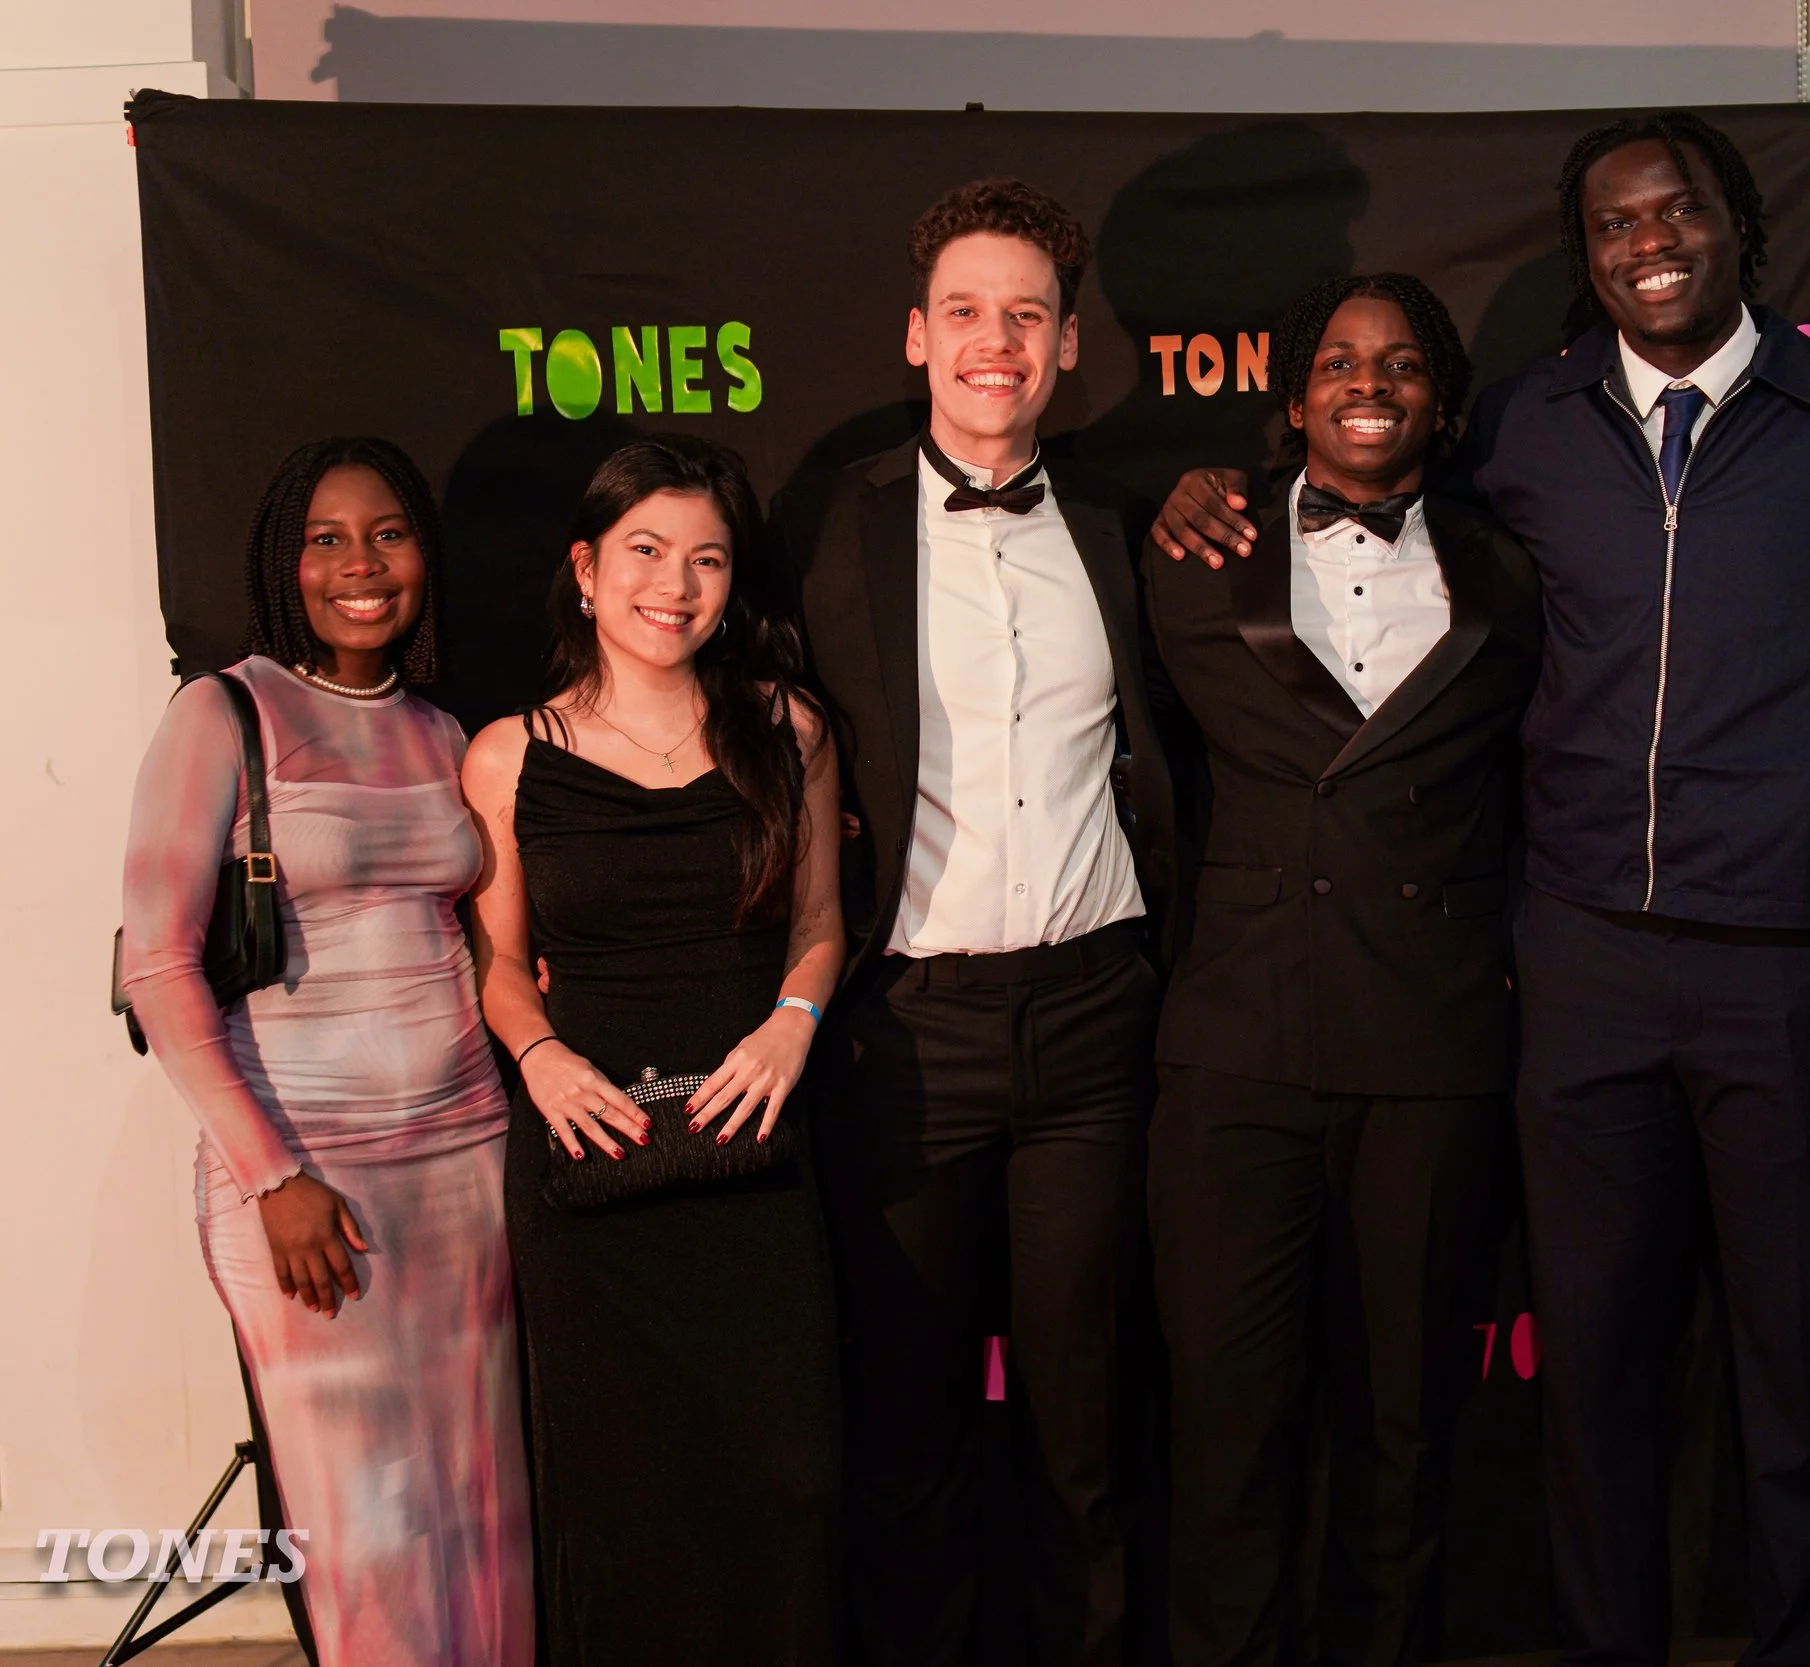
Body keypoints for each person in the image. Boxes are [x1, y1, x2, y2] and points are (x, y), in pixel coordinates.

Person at [1154, 110, 1810, 1666]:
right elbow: (1358, 483)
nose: (1644, 242)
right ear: (1587, 255)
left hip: (1789, 956)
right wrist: (1214, 479)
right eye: (1610, 223)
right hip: (1580, 962)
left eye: (1673, 212)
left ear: (1738, 226)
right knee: (1593, 1375)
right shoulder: (1525, 428)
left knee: (1798, 1371)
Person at [793, 178, 1179, 1667]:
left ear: (1068, 342)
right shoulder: (837, 531)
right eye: (966, 312)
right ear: (916, 335)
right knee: (911, 1424)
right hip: (908, 1033)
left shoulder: (1123, 525)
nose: (994, 341)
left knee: (1088, 1425)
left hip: (1097, 1023)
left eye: (1025, 313)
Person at [1145, 273, 1541, 1667]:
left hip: (1430, 1049)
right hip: (1235, 1045)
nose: (1369, 381)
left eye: (1402, 362)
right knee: (1229, 1428)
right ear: (1294, 395)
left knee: (1407, 1428)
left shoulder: (1510, 570)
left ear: (1440, 397)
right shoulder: (1195, 542)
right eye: (1339, 360)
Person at [119, 437, 531, 1666]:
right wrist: (270, 1177)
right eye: (328, 538)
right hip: (306, 1177)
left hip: (468, 1162)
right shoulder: (222, 710)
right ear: (283, 560)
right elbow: (157, 968)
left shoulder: (440, 727)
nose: (362, 564)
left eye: (390, 535)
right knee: (369, 1523)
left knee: (481, 1501)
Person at [463, 433, 844, 1666]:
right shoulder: (507, 754)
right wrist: (541, 1059)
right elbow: (502, 965)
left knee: (782, 1479)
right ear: (584, 569)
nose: (672, 584)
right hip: (590, 1153)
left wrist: (792, 1025)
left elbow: (821, 922)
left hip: (754, 1147)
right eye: (643, 551)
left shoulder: (788, 726)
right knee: (619, 1494)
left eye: (706, 559)